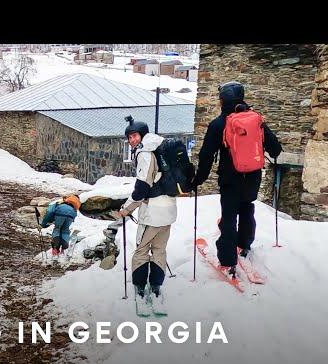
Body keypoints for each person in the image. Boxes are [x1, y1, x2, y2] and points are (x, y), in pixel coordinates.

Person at [191, 81, 282, 277]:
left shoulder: (218, 124)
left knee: (229, 216)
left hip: (230, 177)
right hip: (253, 177)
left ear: (222, 99)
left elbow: (207, 154)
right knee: (247, 208)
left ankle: (227, 260)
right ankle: (244, 244)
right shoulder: (256, 121)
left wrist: (198, 179)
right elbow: (276, 149)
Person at [114, 116, 176, 316]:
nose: (131, 140)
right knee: (159, 250)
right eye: (129, 137)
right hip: (169, 209)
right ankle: (157, 289)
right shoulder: (161, 146)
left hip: (152, 213)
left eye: (134, 136)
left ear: (142, 135)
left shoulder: (145, 153)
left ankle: (141, 290)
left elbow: (142, 187)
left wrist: (126, 209)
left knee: (141, 250)